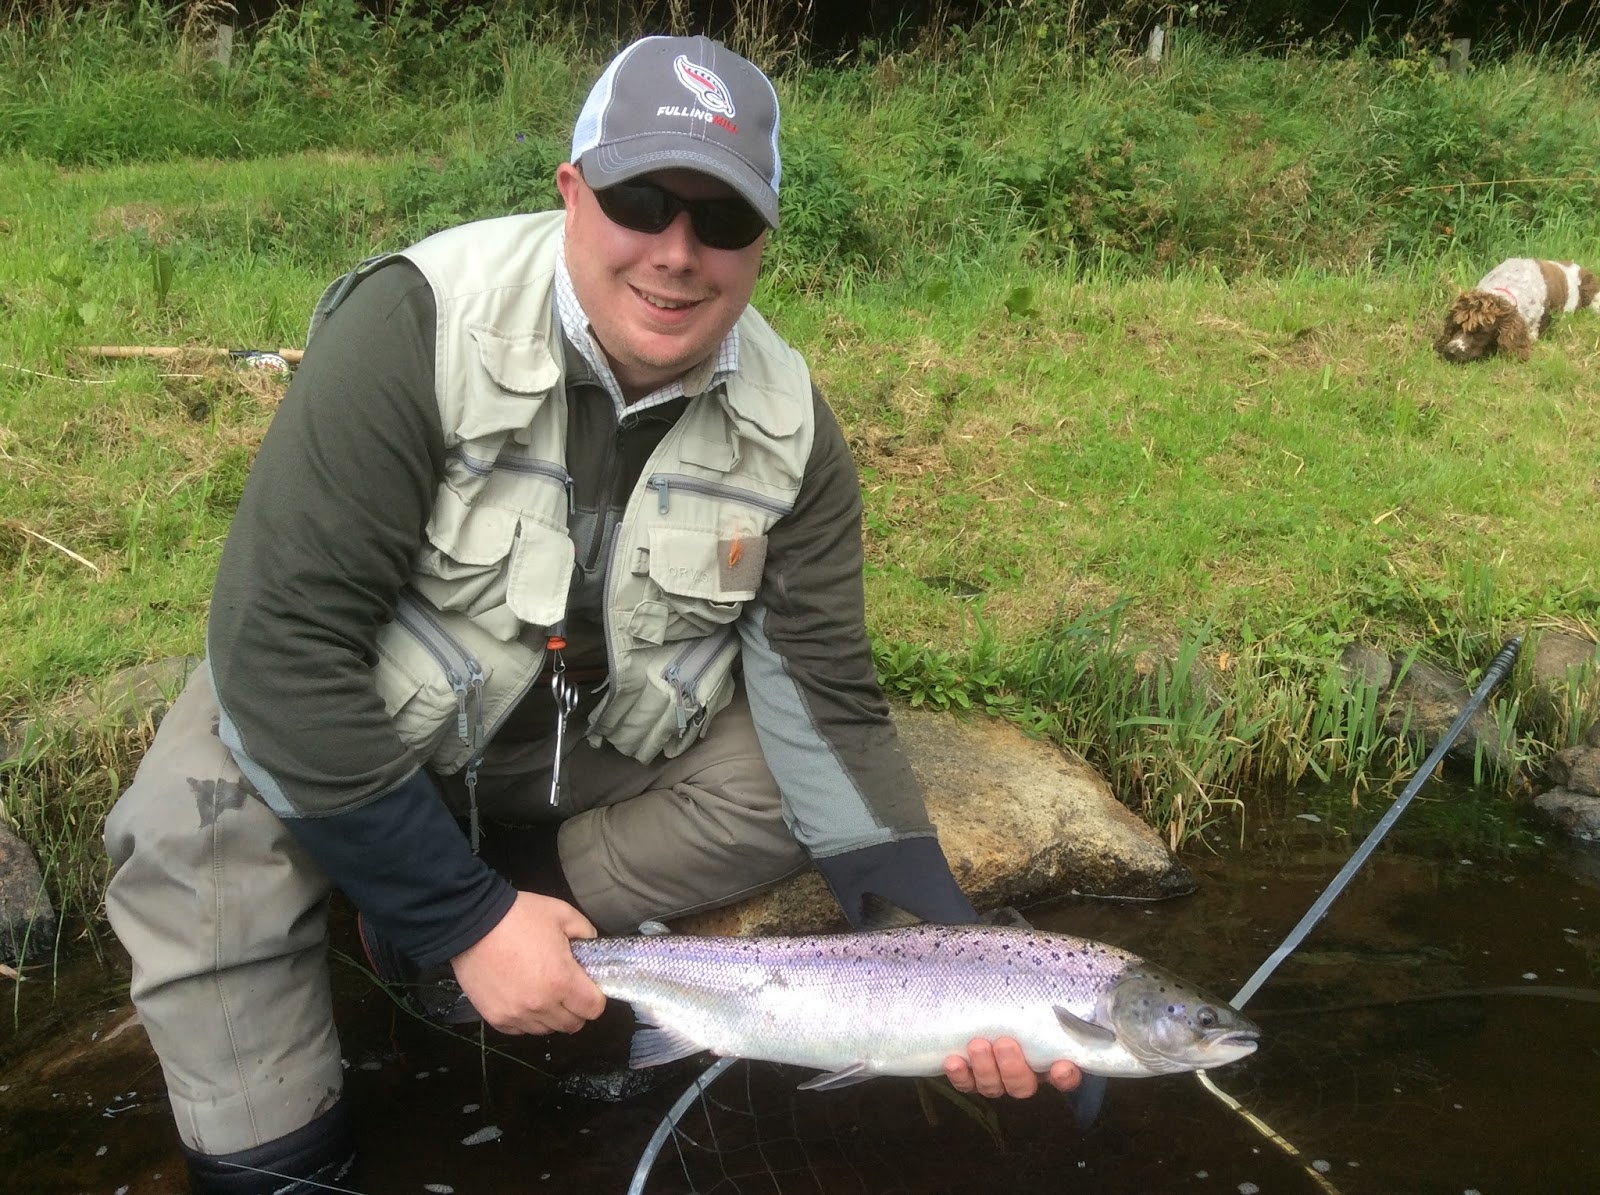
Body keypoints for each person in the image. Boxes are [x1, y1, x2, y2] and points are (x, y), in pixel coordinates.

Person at [103, 34, 1080, 1193]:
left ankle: (435, 931)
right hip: (368, 713)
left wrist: (949, 959)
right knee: (193, 829)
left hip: (577, 748)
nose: (677, 252)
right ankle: (280, 1161)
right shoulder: (413, 325)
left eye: (723, 220)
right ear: (571, 191)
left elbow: (825, 699)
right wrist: (468, 917)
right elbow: (279, 652)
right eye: (641, 201)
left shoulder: (790, 428)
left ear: (763, 241)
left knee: (786, 780)